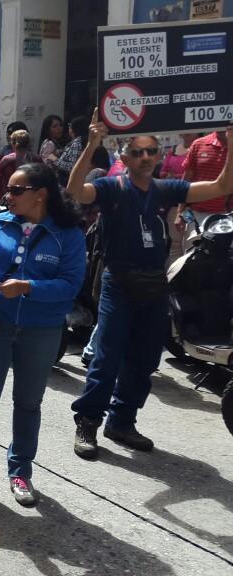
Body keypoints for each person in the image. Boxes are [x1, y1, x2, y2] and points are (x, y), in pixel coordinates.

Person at [66, 111, 233, 458]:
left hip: (155, 284)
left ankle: (122, 421)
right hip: (119, 282)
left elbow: (221, 187)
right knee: (107, 357)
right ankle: (88, 421)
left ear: (159, 157)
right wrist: (92, 143)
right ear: (125, 157)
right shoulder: (112, 187)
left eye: (151, 151)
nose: (145, 157)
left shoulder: (164, 189)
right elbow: (74, 191)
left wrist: (231, 144)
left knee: (144, 359)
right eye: (138, 152)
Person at [0, 162, 86, 510]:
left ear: (40, 195)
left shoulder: (67, 233)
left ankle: (20, 472)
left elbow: (71, 286)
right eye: (7, 189)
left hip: (42, 331)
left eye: (15, 190)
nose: (6, 196)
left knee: (28, 405)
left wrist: (29, 287)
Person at [176, 130, 229, 251]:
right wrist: (179, 212)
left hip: (229, 215)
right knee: (193, 260)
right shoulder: (199, 144)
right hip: (198, 215)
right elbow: (186, 180)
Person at [0, 130, 43, 203]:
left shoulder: (6, 160)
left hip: (8, 198)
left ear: (12, 144)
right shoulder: (37, 158)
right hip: (30, 198)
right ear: (28, 143)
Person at [53, 116, 89, 184]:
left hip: (68, 181)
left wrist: (54, 159)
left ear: (74, 129)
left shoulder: (77, 144)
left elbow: (71, 167)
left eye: (70, 126)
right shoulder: (84, 141)